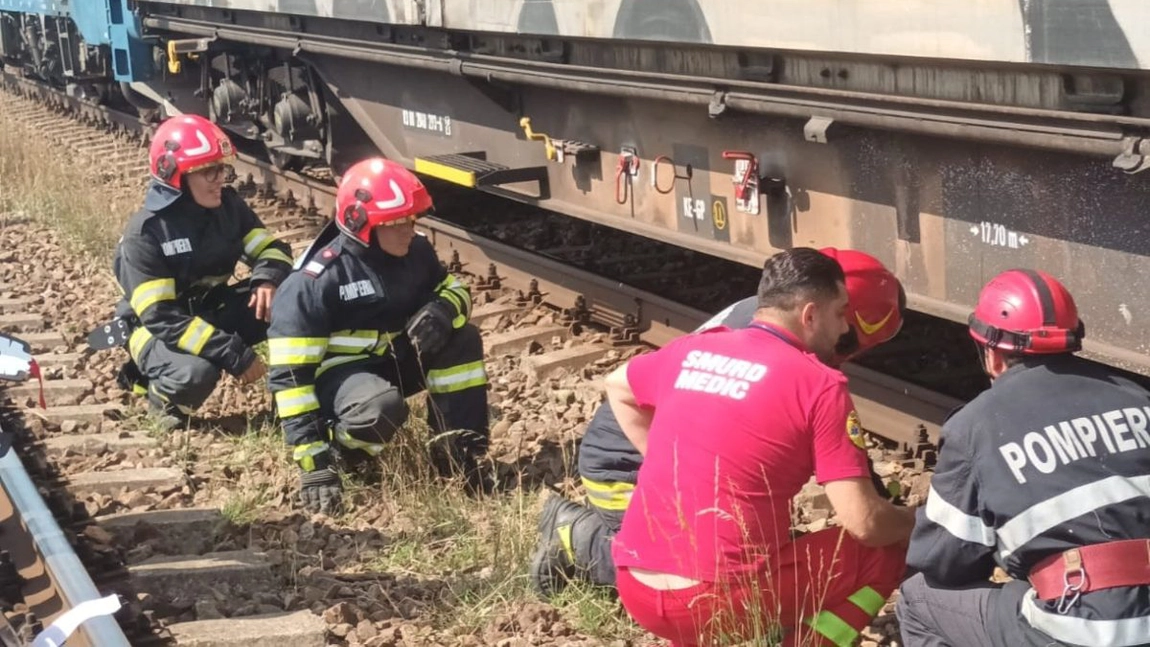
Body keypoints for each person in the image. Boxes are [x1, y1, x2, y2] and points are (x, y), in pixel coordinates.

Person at [531, 247, 907, 601]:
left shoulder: (771, 317)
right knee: (692, 573)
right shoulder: (789, 350)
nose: (845, 342)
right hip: (621, 467)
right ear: (822, 312)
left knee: (751, 552)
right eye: (847, 328)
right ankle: (578, 536)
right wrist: (678, 475)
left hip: (634, 446)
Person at [897, 269, 1150, 647]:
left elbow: (942, 560)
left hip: (1085, 628)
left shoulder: (975, 425)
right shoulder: (1136, 397)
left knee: (918, 600)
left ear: (993, 355)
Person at [266, 157, 489, 514]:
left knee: (463, 339)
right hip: (337, 380)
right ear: (360, 222)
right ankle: (345, 453)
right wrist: (314, 464)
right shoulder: (316, 281)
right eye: (397, 221)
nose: (409, 229)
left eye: (411, 218)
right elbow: (290, 379)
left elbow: (455, 288)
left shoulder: (414, 251)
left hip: (391, 362)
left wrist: (444, 309)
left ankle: (456, 454)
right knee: (381, 407)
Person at [111, 114, 292, 427]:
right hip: (153, 329)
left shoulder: (228, 208)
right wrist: (232, 352)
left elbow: (273, 250)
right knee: (197, 373)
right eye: (209, 171)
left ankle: (293, 405)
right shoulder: (146, 234)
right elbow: (161, 318)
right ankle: (163, 398)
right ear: (174, 175)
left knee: (293, 300)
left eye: (222, 168)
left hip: (209, 311)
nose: (220, 178)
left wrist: (267, 279)